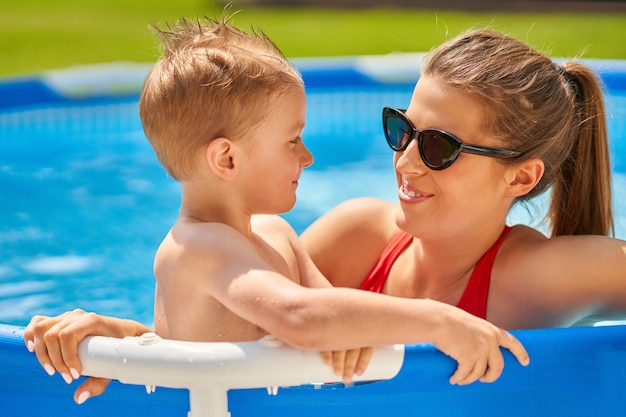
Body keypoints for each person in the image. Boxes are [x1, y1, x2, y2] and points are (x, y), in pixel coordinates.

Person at [23, 18, 529, 406]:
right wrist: (440, 321)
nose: (307, 156)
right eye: (292, 140)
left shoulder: (276, 236)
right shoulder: (198, 247)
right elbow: (302, 318)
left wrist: (349, 329)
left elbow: (338, 319)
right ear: (227, 159)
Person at [301, 28, 626, 330]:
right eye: (403, 130)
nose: (406, 161)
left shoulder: (530, 279)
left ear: (521, 177)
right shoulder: (356, 237)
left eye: (439, 146)